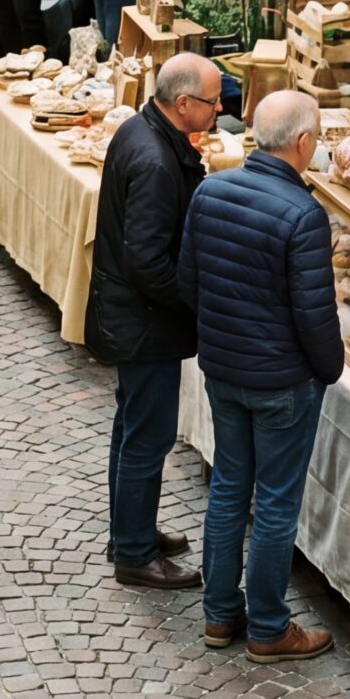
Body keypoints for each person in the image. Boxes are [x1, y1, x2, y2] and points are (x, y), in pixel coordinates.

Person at [180, 88, 343, 661]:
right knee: (274, 504)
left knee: (228, 489)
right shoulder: (303, 214)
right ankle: (270, 628)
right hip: (281, 383)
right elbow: (315, 315)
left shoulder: (211, 189)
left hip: (224, 371)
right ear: (302, 143)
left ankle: (220, 616)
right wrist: (329, 371)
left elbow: (189, 282)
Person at [87, 52, 223, 589]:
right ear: (182, 103)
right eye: (212, 102)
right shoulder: (157, 163)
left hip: (132, 317)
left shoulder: (140, 131)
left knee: (131, 427)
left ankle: (129, 531)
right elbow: (148, 261)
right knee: (148, 436)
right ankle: (136, 554)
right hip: (145, 325)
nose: (219, 109)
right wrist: (195, 300)